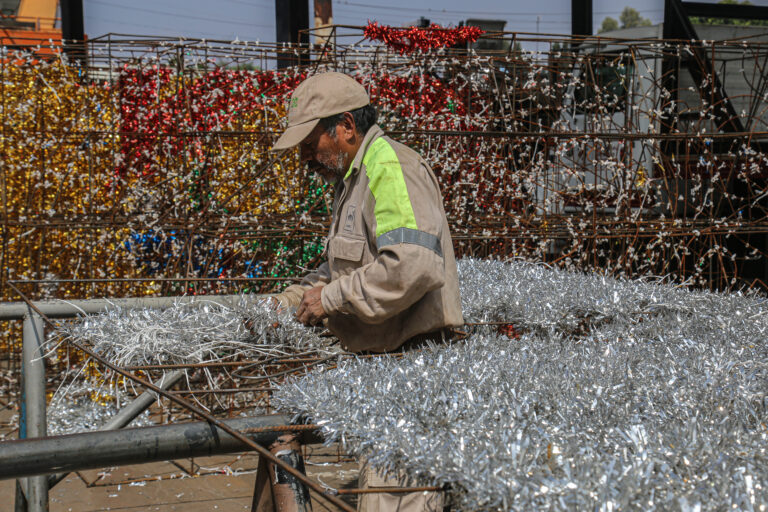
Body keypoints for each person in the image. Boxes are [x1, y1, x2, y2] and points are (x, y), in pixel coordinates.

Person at [271, 71, 463, 511]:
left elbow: (410, 266)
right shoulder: (353, 181)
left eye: (309, 144)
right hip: (387, 381)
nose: (305, 158)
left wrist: (332, 299)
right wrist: (290, 299)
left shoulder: (387, 167)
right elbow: (348, 263)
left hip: (414, 380)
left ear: (346, 127)